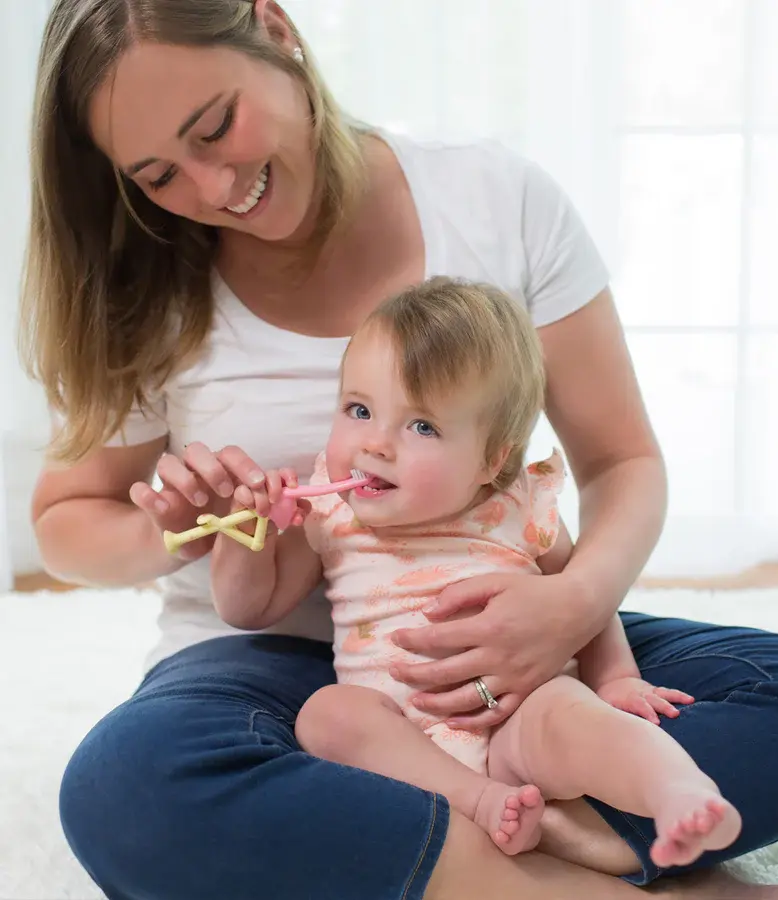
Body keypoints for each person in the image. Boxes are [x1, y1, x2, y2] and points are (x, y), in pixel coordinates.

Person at [18, 0, 778, 898]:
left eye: (216, 126)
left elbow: (621, 459)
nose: (210, 189)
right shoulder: (145, 286)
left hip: (520, 647)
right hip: (273, 679)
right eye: (160, 173)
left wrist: (573, 607)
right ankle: (601, 875)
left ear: (276, 31)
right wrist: (187, 529)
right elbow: (65, 523)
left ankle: (490, 853)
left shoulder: (495, 200)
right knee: (126, 789)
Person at [209, 276, 743, 868]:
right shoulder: (329, 510)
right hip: (399, 739)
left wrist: (615, 678)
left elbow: (584, 599)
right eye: (359, 410)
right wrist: (247, 532)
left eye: (422, 427)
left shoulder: (519, 503)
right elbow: (248, 608)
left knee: (575, 716)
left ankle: (676, 792)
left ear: (492, 459)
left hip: (519, 715)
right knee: (327, 714)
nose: (376, 445)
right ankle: (483, 802)